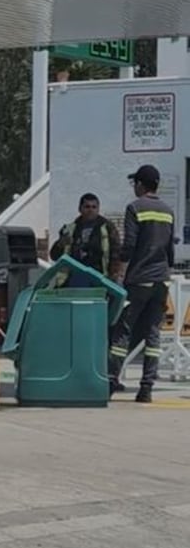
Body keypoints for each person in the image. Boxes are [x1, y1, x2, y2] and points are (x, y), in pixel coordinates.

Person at [107, 164, 174, 403]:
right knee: (153, 333)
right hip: (161, 279)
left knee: (123, 330)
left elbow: (130, 245)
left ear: (140, 184)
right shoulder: (167, 210)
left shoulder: (135, 207)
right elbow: (170, 250)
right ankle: (146, 388)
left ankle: (110, 380)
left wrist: (118, 265)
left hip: (140, 279)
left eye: (135, 182)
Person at [50, 192, 120, 285]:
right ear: (80, 209)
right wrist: (60, 244)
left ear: (98, 209)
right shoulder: (69, 229)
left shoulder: (107, 228)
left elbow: (116, 254)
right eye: (87, 207)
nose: (90, 210)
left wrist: (113, 278)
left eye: (94, 207)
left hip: (99, 278)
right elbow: (54, 256)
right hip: (74, 279)